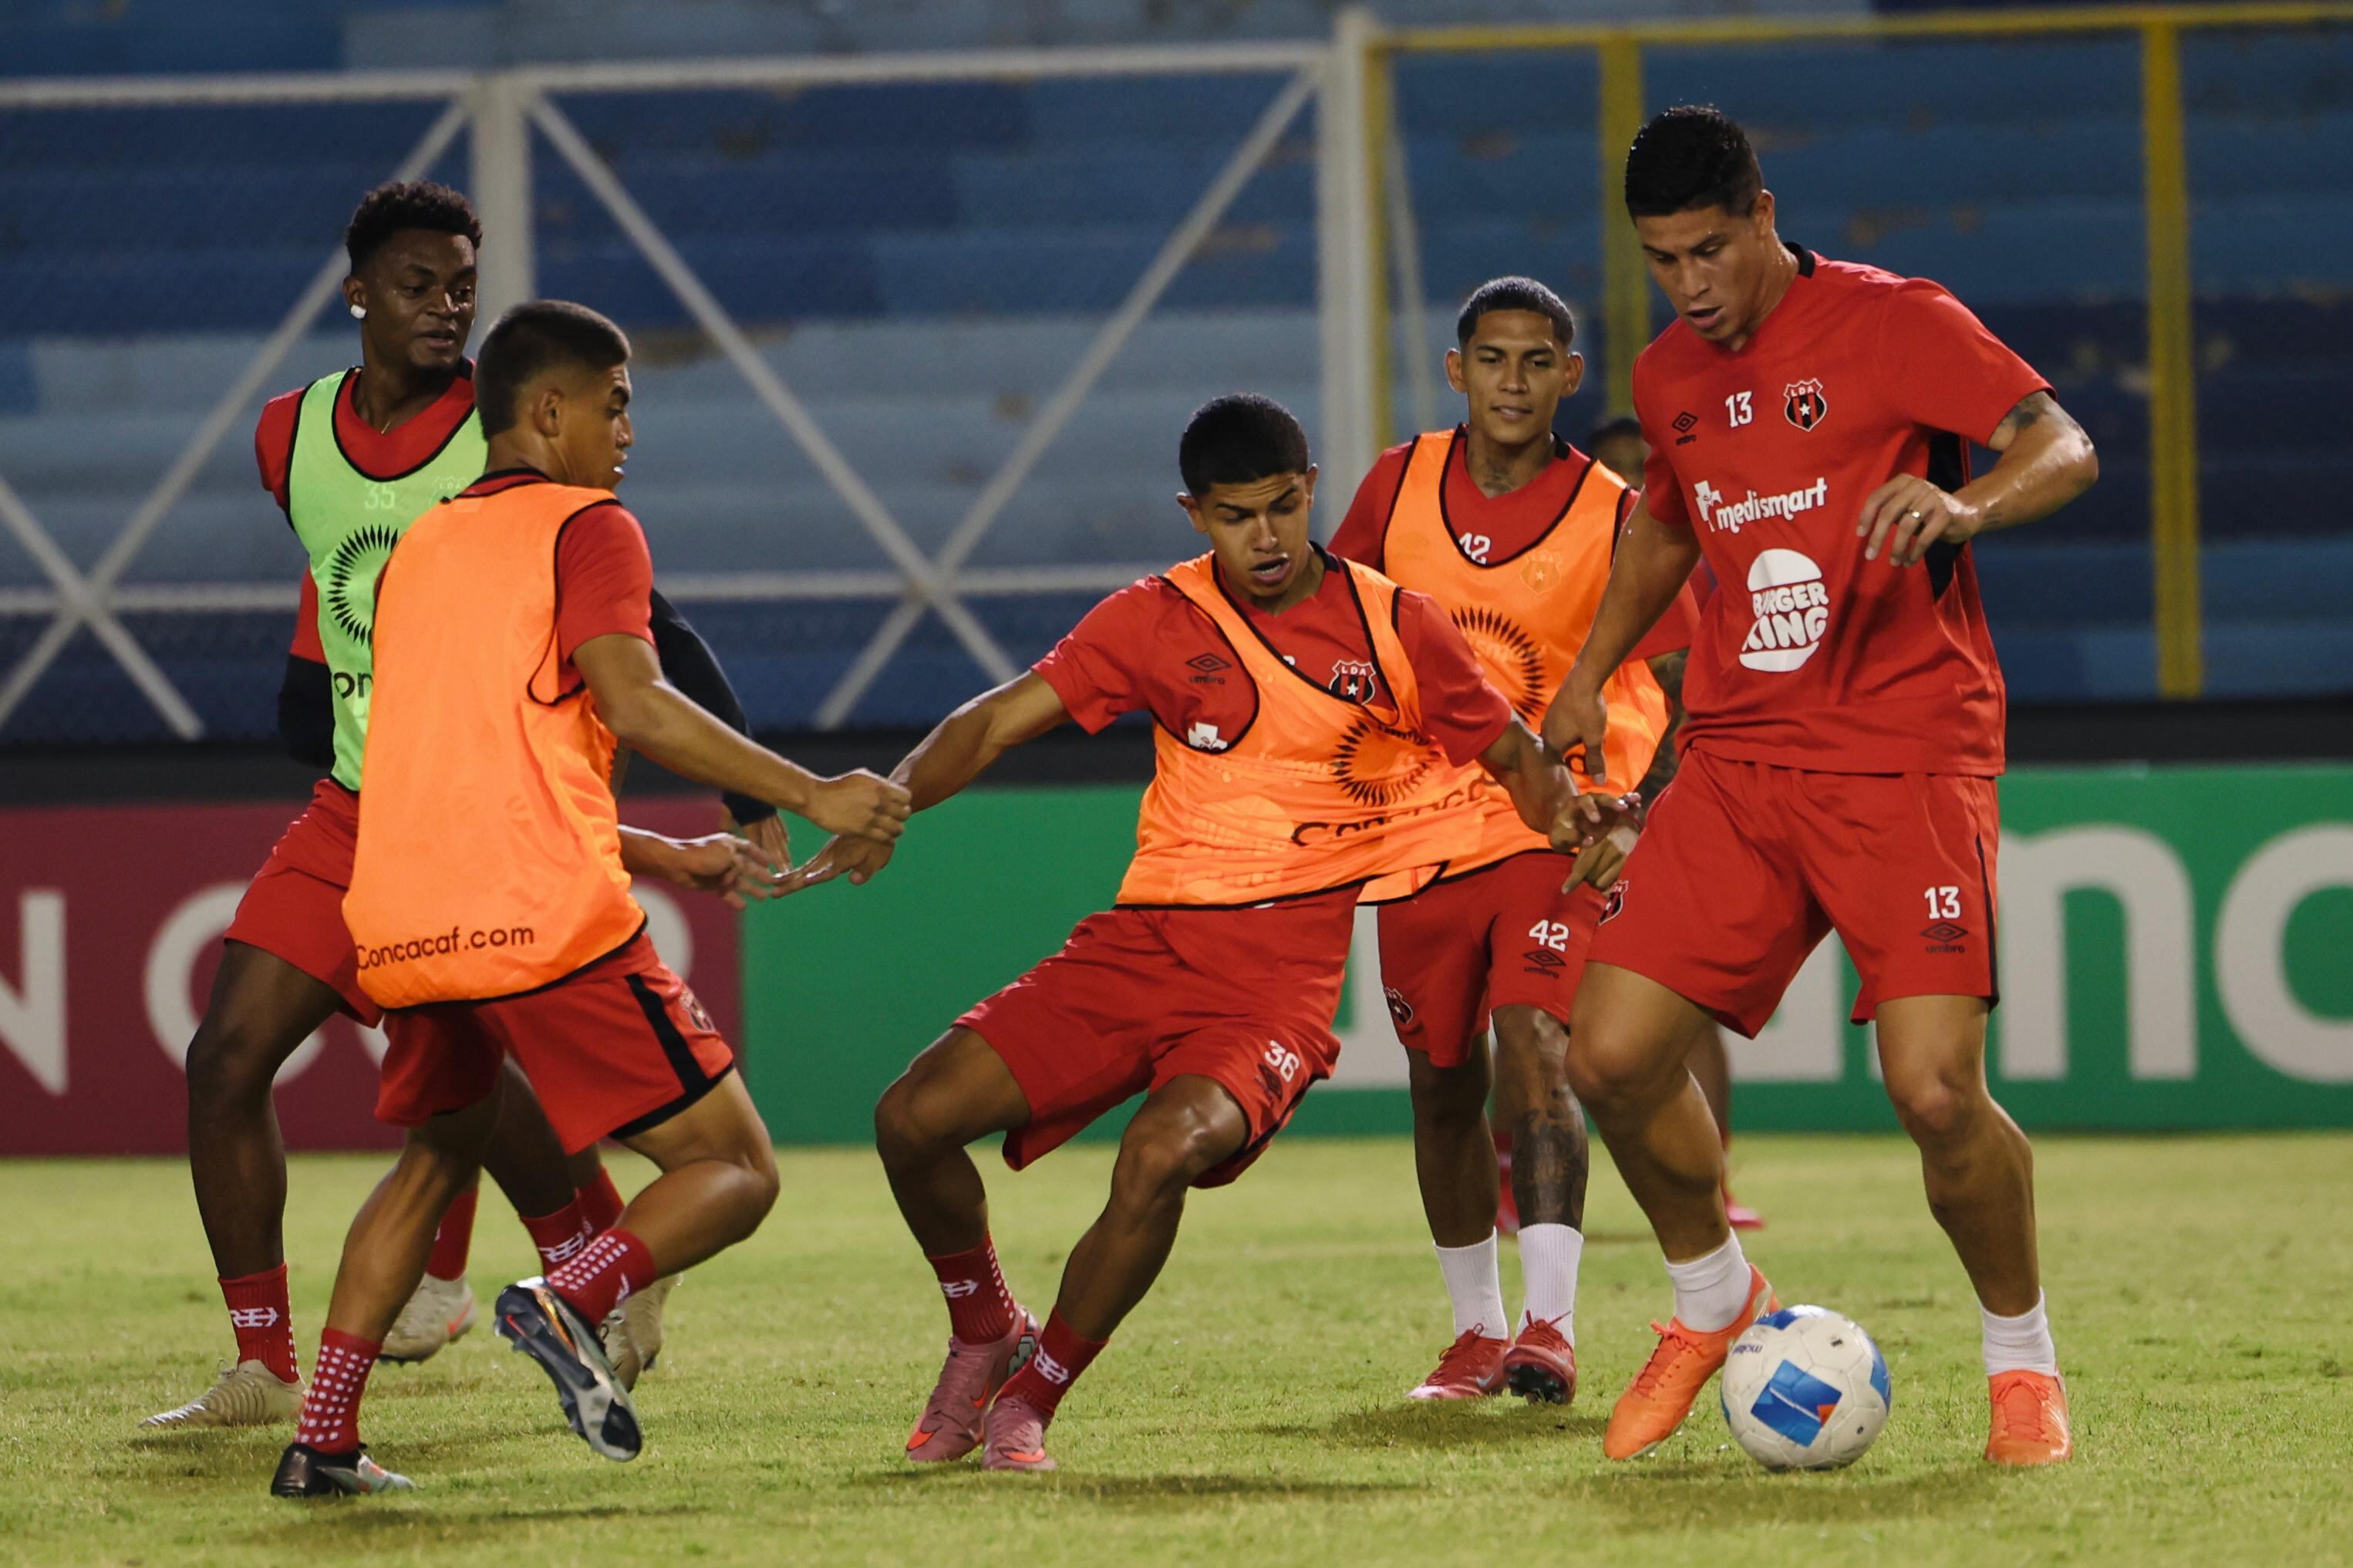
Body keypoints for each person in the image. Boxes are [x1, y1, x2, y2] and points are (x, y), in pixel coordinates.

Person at [794, 394, 1600, 1472]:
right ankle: (987, 1327)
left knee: (1160, 1149)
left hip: (1273, 989)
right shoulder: (1152, 620)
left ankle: (1033, 1397)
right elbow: (994, 718)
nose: (1263, 539)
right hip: (1138, 947)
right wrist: (893, 800)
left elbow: (1509, 755)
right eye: (1233, 517)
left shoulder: (1393, 624)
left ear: (1310, 487)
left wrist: (1577, 819)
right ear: (1192, 513)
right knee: (909, 1118)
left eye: (1279, 507)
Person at [146, 183, 779, 1432]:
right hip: (357, 810)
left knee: (462, 1107)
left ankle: (577, 1267)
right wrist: (316, 702)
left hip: (488, 823)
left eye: (463, 289)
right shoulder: (289, 435)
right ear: (359, 294)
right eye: (423, 285)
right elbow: (336, 598)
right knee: (229, 1060)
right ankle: (274, 1366)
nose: (448, 308)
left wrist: (743, 783)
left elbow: (646, 635)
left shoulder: (502, 440)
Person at [268, 300, 911, 1496]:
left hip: (405, 917)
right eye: (615, 403)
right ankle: (567, 1298)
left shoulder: (419, 552)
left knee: (435, 1158)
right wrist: (810, 790)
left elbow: (459, 770)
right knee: (736, 1166)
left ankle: (322, 1437)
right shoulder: (589, 527)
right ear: (548, 410)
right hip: (542, 918)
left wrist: (668, 855)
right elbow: (638, 700)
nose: (628, 429)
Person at [1540, 106, 2098, 1466]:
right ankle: (1713, 1298)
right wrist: (1588, 668)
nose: (1690, 283)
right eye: (1663, 258)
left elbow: (2063, 443)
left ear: (1765, 213)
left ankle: (2020, 1361)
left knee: (1932, 1092)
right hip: (1739, 758)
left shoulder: (1898, 322)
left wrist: (1966, 507)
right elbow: (1671, 521)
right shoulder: (1670, 375)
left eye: (1711, 249)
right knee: (1605, 1051)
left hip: (1903, 748)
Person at [1327, 277, 1690, 1404]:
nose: (1513, 383)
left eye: (1537, 362)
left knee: (1535, 1039)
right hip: (1415, 827)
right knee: (1439, 1079)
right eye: (1492, 359)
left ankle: (1549, 1326)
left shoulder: (1612, 511)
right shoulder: (1393, 488)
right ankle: (1474, 1332)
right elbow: (1330, 632)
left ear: (1568, 378)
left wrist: (1638, 808)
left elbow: (1672, 674)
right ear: (1456, 371)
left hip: (1557, 822)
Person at [1588, 414, 1765, 1234]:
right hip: (1569, 801)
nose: (1629, 484)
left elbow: (1690, 698)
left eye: (1642, 469)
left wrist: (1662, 809)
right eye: (1613, 467)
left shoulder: (1697, 566)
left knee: (1683, 1004)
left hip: (1660, 803)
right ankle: (1517, 1180)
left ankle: (1715, 1177)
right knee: (1535, 1010)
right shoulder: (1576, 559)